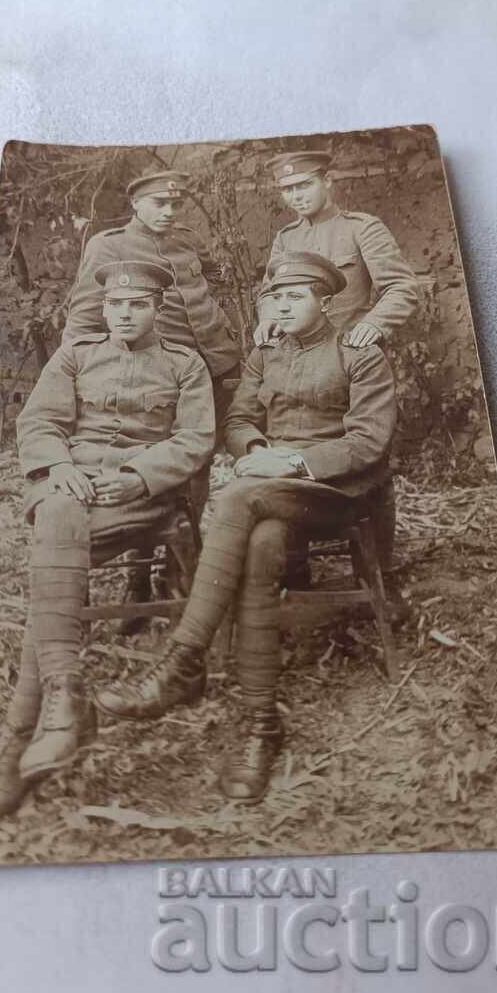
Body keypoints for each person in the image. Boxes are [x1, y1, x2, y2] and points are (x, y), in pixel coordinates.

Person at [95, 251, 397, 802]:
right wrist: (256, 447)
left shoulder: (360, 352)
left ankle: (185, 657)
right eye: (275, 297)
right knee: (261, 544)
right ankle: (262, 724)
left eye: (294, 296)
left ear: (323, 300)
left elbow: (370, 443)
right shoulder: (265, 352)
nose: (282, 305)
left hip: (337, 494)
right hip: (268, 492)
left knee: (237, 497)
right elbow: (238, 419)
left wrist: (290, 462)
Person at [0, 261, 215, 831]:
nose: (124, 314)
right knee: (59, 511)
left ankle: (14, 753)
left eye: (137, 305)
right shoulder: (75, 356)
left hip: (141, 496)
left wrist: (140, 475)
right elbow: (38, 422)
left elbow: (195, 439)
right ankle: (65, 698)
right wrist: (60, 464)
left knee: (51, 558)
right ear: (104, 308)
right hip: (74, 486)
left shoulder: (185, 365)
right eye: (116, 305)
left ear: (156, 309)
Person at [65, 168, 240, 618]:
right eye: (159, 204)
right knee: (142, 466)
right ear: (135, 205)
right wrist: (75, 375)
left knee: (194, 467)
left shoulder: (185, 242)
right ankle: (138, 580)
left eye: (175, 204)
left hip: (213, 368)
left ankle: (177, 569)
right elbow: (84, 319)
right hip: (151, 378)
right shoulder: (109, 246)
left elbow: (208, 288)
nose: (168, 211)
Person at [256, 149, 418, 588]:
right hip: (301, 362)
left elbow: (401, 286)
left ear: (328, 181)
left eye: (304, 185)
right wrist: (266, 320)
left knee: (371, 461)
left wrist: (372, 324)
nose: (296, 196)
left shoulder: (360, 228)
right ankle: (295, 569)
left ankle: (378, 578)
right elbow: (269, 292)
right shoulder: (286, 239)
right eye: (288, 189)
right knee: (293, 443)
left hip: (352, 356)